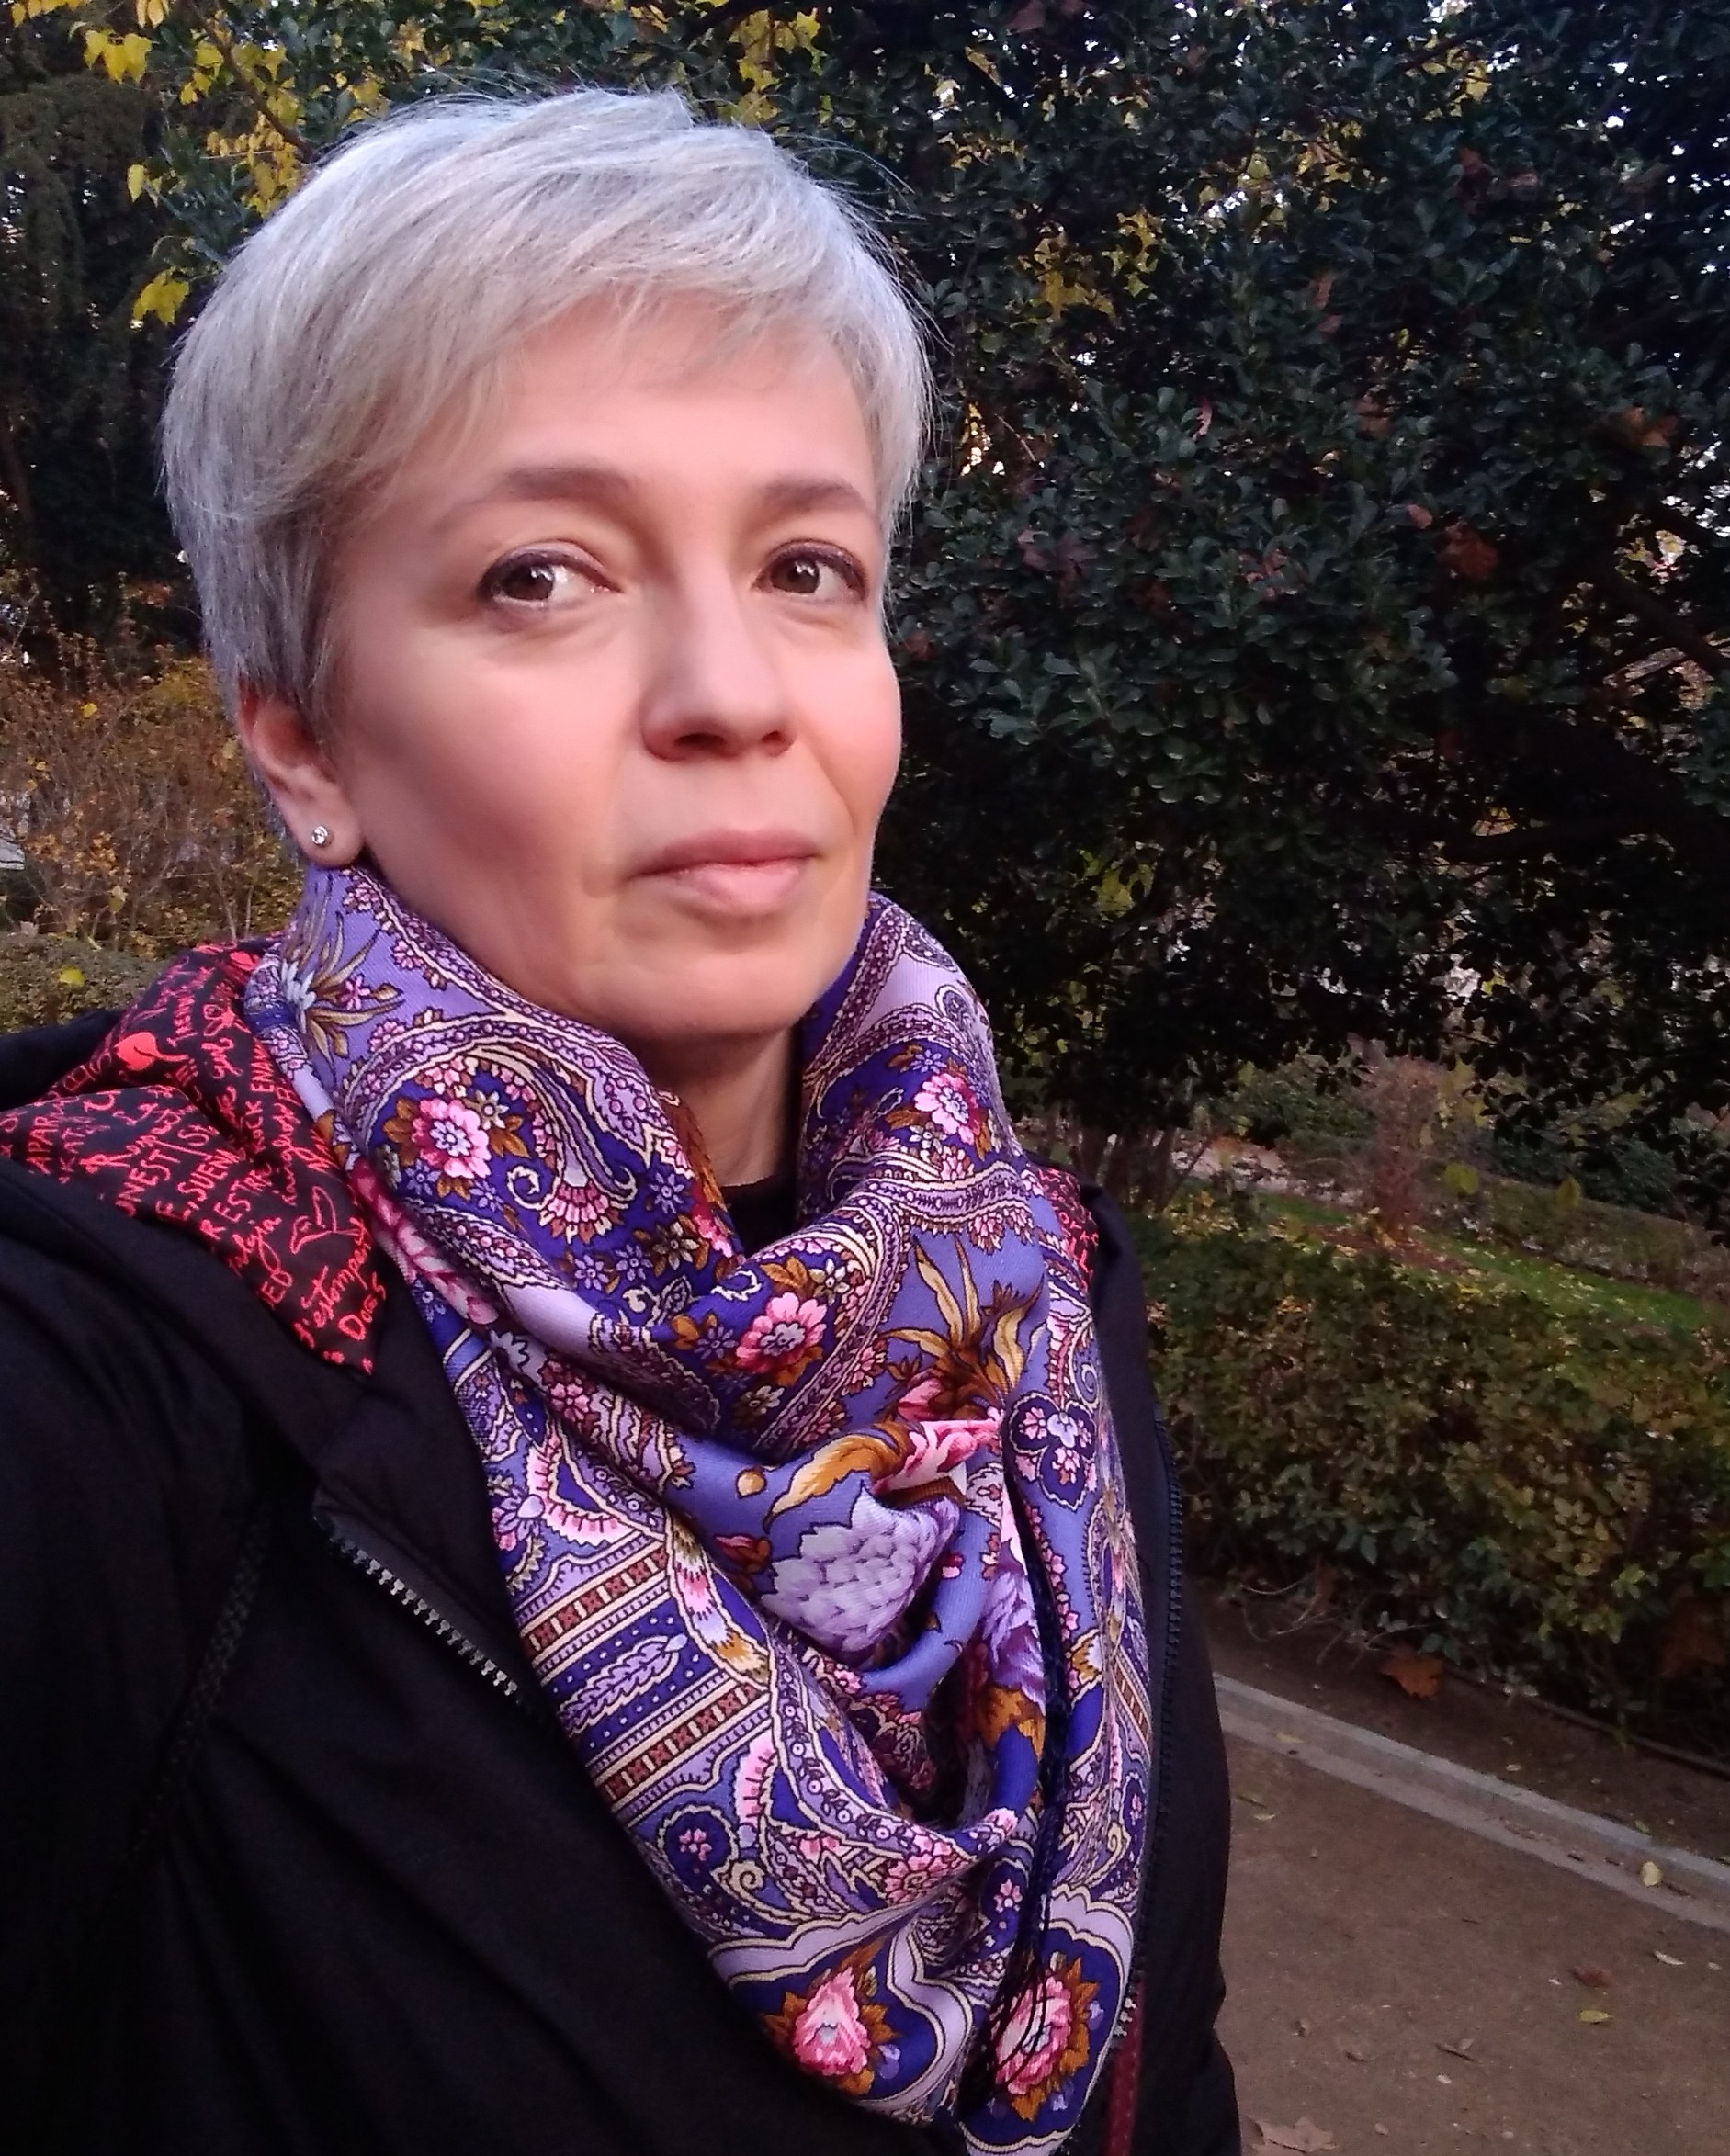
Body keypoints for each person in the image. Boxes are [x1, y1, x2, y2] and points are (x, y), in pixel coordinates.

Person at [0, 88, 1237, 2156]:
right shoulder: (111, 1357)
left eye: (807, 565)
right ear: (304, 743)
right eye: (542, 576)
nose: (732, 691)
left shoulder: (1036, 1304)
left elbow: (1164, 2063)